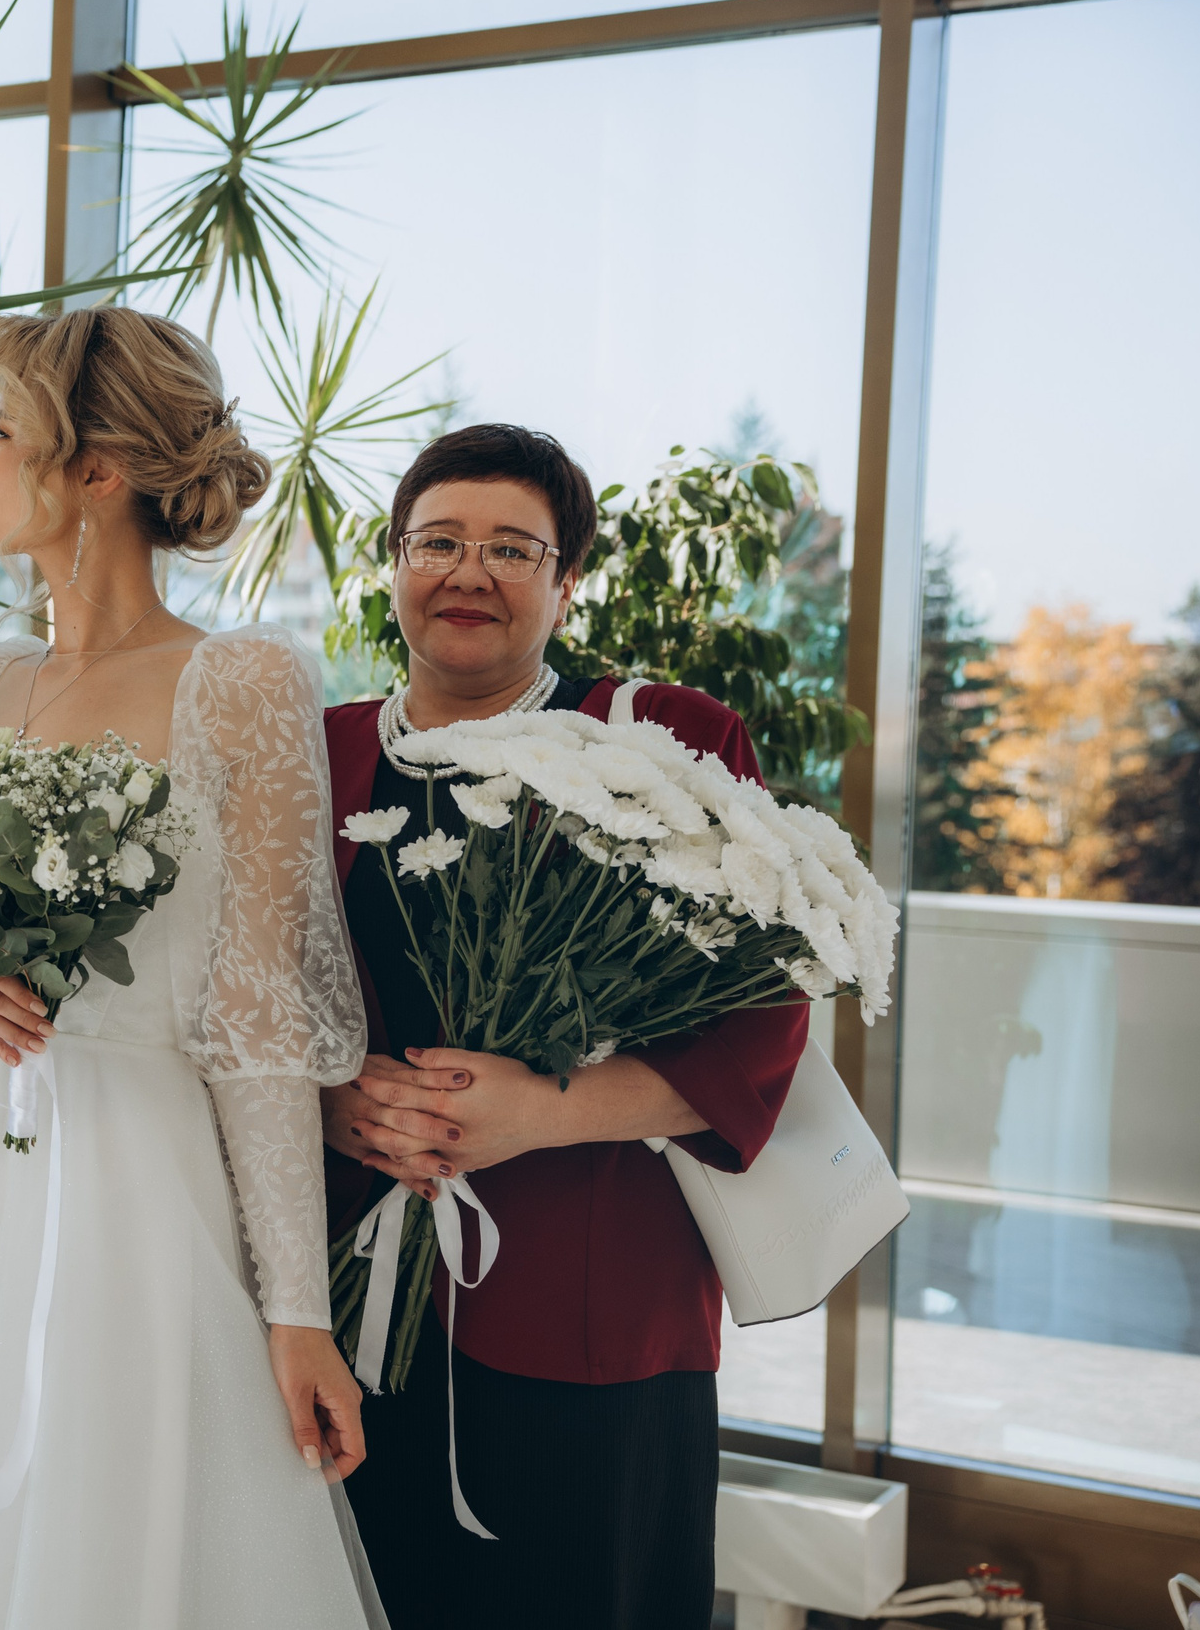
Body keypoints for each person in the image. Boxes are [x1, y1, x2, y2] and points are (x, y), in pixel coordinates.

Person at [0, 306, 388, 1630]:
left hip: (137, 1191)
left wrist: (295, 1310)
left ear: (96, 469)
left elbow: (257, 1027)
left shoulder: (244, 681)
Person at [322, 423, 807, 1629]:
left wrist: (546, 1113)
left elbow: (763, 1010)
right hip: (356, 1291)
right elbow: (240, 999)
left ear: (567, 578)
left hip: (594, 1298)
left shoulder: (665, 742)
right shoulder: (315, 753)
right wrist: (331, 1099)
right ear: (392, 564)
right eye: (436, 541)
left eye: (510, 548)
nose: (467, 573)